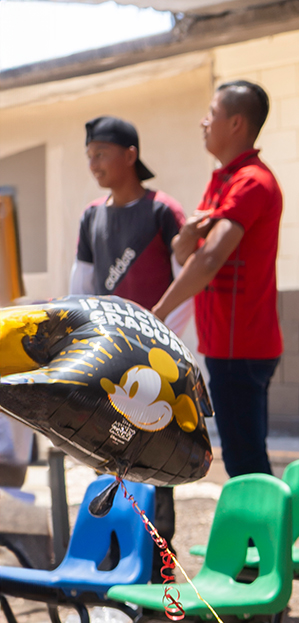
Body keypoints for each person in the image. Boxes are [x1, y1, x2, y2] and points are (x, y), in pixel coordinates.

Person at [71, 116, 191, 563]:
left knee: (154, 457)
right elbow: (82, 289)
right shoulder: (91, 216)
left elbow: (186, 285)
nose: (94, 164)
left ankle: (158, 562)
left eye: (101, 154)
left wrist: (160, 346)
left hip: (156, 366)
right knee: (106, 455)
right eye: (89, 156)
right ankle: (112, 557)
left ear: (130, 156)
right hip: (107, 365)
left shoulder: (162, 211)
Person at [151, 80, 282, 478]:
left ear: (236, 123)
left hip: (242, 347)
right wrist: (185, 238)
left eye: (212, 114)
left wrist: (158, 313)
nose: (203, 122)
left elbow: (209, 260)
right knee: (242, 455)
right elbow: (187, 254)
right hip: (224, 344)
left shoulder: (251, 181)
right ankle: (257, 519)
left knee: (245, 461)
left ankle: (262, 521)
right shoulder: (221, 180)